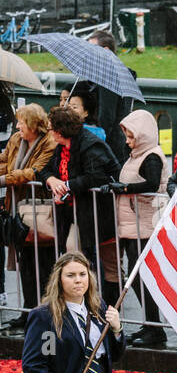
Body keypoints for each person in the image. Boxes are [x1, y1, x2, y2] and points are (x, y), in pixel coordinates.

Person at [37, 104, 119, 295]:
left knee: (92, 259)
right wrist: (52, 180)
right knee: (71, 255)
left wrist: (66, 186)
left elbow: (96, 176)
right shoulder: (61, 148)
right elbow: (43, 169)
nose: (49, 132)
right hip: (70, 211)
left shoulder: (90, 145)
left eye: (50, 128)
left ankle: (97, 303)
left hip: (93, 212)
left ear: (59, 130)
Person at [112, 110, 171, 349]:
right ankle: (150, 325)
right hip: (132, 225)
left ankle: (155, 327)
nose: (127, 141)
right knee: (136, 277)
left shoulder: (152, 156)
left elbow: (152, 184)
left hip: (144, 226)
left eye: (131, 136)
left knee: (141, 277)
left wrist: (124, 188)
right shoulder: (137, 154)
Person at [1, 103, 58, 334]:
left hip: (39, 209)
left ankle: (43, 313)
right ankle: (27, 311)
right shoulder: (17, 139)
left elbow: (34, 171)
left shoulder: (49, 142)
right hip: (17, 208)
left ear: (33, 124)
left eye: (21, 122)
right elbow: (5, 160)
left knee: (42, 264)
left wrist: (5, 180)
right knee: (25, 264)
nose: (17, 126)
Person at [86, 29, 134, 165]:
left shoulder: (108, 75)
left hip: (110, 146)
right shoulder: (120, 72)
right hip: (118, 141)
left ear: (105, 50)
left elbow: (106, 116)